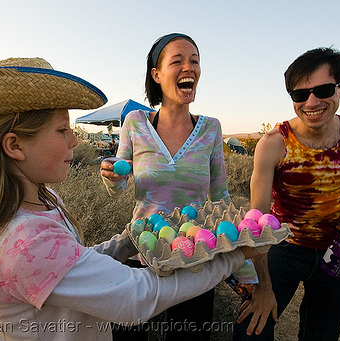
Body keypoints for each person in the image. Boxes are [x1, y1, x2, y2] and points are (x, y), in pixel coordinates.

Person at [0, 57, 263, 341]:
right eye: (61, 130)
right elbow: (137, 298)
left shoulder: (42, 200)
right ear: (15, 146)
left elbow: (71, 262)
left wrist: (127, 242)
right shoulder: (24, 240)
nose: (74, 140)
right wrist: (232, 258)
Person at [233, 47, 340, 341]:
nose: (311, 102)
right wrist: (262, 287)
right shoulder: (274, 143)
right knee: (250, 333)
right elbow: (257, 220)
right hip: (283, 249)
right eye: (299, 95)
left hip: (337, 252)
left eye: (323, 89)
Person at [100, 33, 237, 341]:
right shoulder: (135, 122)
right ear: (157, 75)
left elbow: (221, 196)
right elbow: (118, 185)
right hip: (140, 253)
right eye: (177, 61)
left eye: (195, 61)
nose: (189, 67)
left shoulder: (211, 128)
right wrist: (112, 179)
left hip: (195, 259)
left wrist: (243, 263)